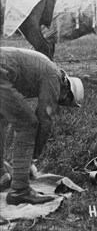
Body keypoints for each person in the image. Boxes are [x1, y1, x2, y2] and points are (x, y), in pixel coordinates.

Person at [0, 47, 83, 205]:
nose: (59, 102)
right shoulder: (55, 77)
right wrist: (32, 159)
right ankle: (20, 190)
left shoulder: (45, 67)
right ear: (67, 91)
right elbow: (45, 118)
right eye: (63, 101)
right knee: (28, 125)